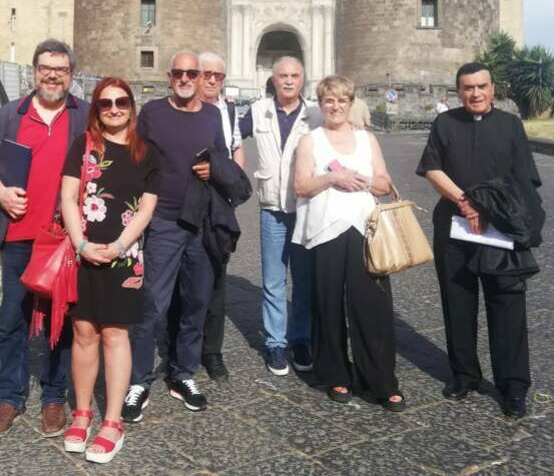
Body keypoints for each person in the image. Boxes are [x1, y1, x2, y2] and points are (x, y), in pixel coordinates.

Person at [416, 62, 544, 418]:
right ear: (459, 91)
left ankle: (513, 385)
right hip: (455, 228)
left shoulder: (511, 126)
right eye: (468, 88)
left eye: (481, 86)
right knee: (457, 303)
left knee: (507, 306)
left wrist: (495, 211)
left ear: (492, 88)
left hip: (500, 229)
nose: (475, 93)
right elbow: (431, 168)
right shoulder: (445, 124)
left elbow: (524, 180)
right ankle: (464, 374)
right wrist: (466, 202)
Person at [0, 39, 90, 439]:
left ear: (71, 75)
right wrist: (2, 193)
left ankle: (54, 398)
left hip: (64, 238)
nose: (52, 75)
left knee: (61, 320)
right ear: (34, 71)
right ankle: (10, 397)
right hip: (20, 235)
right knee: (13, 318)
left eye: (60, 69)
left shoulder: (85, 117)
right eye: (45, 68)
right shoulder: (10, 116)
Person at [122, 51, 228, 422]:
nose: (185, 78)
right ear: (170, 77)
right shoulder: (152, 113)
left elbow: (224, 162)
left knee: (197, 302)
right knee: (153, 304)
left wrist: (213, 168)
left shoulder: (213, 116)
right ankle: (138, 380)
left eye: (192, 73)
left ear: (202, 77)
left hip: (200, 224)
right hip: (164, 222)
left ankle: (183, 374)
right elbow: (135, 159)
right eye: (179, 73)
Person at [58, 78, 159, 464]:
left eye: (120, 102)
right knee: (84, 332)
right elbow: (68, 196)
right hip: (82, 252)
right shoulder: (82, 147)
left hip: (124, 255)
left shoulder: (146, 153)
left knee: (116, 334)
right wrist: (82, 243)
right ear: (96, 110)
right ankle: (83, 413)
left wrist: (118, 246)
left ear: (131, 107)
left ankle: (112, 421)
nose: (114, 108)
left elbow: (147, 208)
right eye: (105, 103)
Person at [293, 76, 405, 409]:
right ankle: (336, 374)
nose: (336, 106)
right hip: (325, 229)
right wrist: (333, 177)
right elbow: (301, 186)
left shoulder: (366, 139)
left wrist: (365, 180)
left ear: (351, 103)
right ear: (321, 103)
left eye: (342, 100)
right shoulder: (310, 141)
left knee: (373, 305)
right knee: (326, 304)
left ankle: (381, 380)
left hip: (364, 228)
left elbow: (384, 183)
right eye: (329, 100)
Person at [234, 56, 322, 375]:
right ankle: (275, 343)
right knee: (273, 280)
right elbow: (230, 138)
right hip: (272, 208)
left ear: (303, 80)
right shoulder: (258, 111)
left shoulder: (316, 113)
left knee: (304, 279)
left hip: (306, 208)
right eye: (282, 75)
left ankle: (300, 337)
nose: (288, 81)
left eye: (294, 76)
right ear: (273, 80)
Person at [158, 51, 240, 381]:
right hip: (175, 213)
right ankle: (174, 349)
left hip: (213, 208)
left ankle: (212, 351)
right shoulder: (173, 110)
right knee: (177, 286)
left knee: (213, 283)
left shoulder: (226, 112)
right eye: (202, 73)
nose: (207, 79)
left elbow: (233, 154)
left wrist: (225, 178)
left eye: (215, 76)